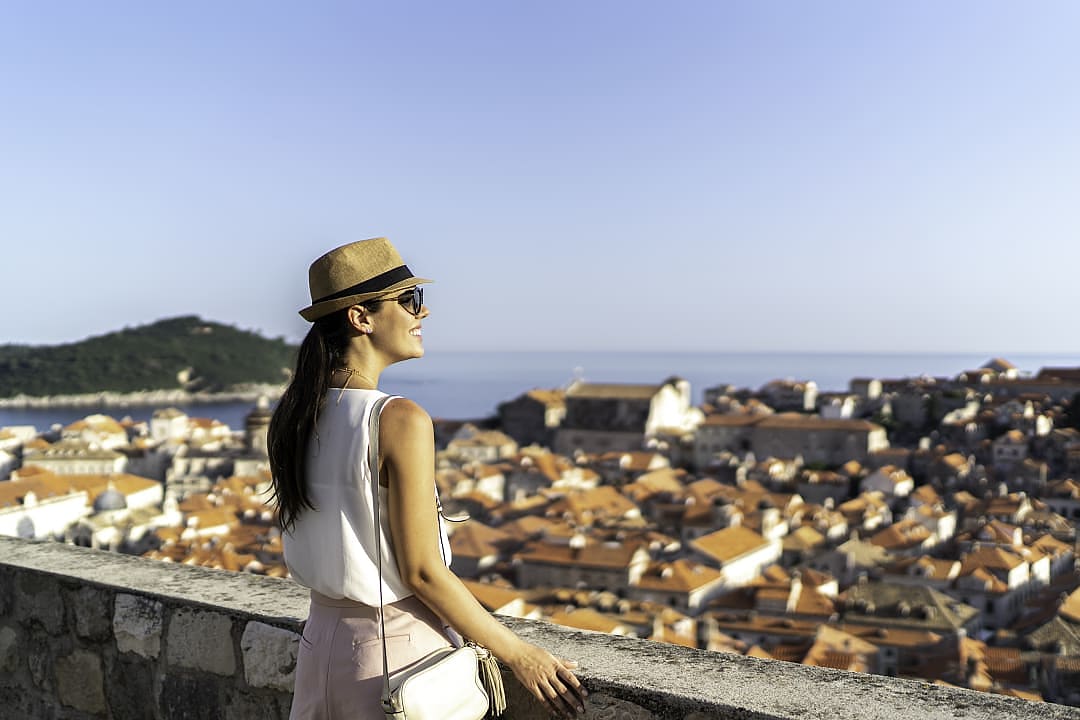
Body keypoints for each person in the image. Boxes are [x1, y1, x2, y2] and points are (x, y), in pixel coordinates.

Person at [268, 237, 587, 720]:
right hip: (397, 657)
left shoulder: (294, 414)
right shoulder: (398, 418)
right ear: (361, 317)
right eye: (409, 300)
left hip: (320, 649)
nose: (425, 312)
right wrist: (521, 654)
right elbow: (422, 572)